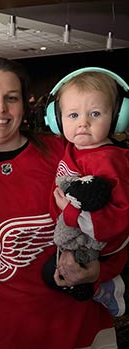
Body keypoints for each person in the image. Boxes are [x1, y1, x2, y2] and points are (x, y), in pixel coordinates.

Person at [0, 57, 127, 349]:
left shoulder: (65, 154)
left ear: (26, 106)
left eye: (12, 98)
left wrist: (101, 270)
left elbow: (118, 222)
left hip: (75, 329)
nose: (0, 108)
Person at [43, 69, 129, 317]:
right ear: (56, 120)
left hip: (99, 245)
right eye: (72, 115)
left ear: (117, 118)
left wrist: (68, 213)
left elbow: (119, 217)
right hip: (75, 234)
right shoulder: (76, 147)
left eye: (95, 114)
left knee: (53, 276)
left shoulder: (107, 160)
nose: (83, 123)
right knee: (53, 275)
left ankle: (107, 287)